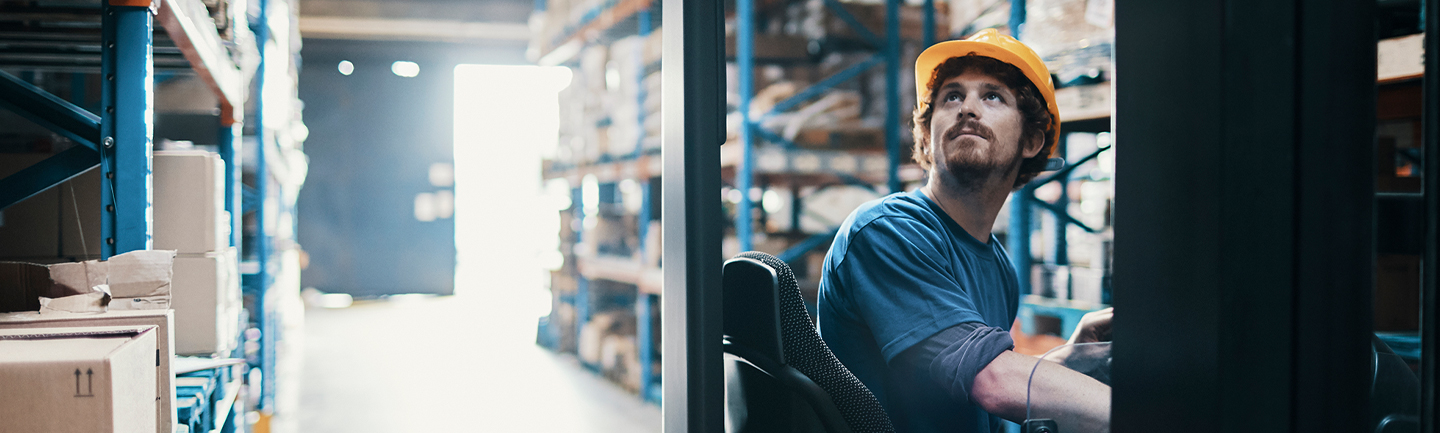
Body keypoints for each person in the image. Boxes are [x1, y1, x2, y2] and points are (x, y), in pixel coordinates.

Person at [816, 29, 1112, 433]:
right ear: (926, 132)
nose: (967, 108)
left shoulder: (999, 268)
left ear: (1031, 140)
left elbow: (966, 384)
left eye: (993, 96)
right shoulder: (886, 233)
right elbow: (992, 384)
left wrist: (1071, 360)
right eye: (951, 96)